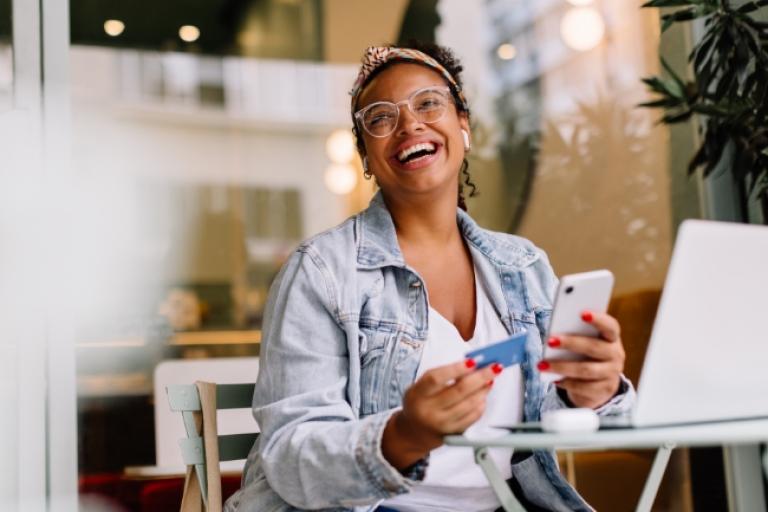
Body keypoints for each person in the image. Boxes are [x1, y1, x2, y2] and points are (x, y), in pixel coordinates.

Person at [225, 42, 634, 512]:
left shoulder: (524, 265)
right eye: (380, 118)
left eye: (428, 103)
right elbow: (290, 455)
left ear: (464, 126)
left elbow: (547, 423)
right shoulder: (320, 271)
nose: (409, 125)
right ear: (365, 156)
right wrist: (402, 436)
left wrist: (595, 394)